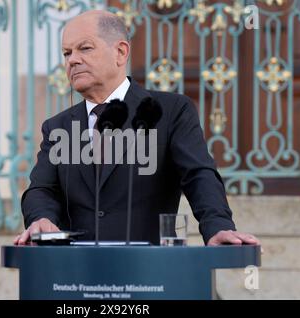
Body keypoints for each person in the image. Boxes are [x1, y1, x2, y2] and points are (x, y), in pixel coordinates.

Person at [13, 10, 259, 246]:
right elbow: (41, 189)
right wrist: (40, 219)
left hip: (146, 273)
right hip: (76, 273)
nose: (73, 60)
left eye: (84, 48)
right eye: (67, 53)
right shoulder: (57, 126)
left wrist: (217, 226)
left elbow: (199, 176)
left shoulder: (171, 111)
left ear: (120, 52)